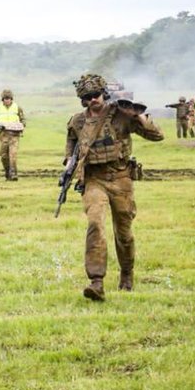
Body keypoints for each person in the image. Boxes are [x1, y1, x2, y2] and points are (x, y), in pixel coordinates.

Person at [64, 73, 164, 301]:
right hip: (94, 180)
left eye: (96, 95)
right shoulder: (78, 122)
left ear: (104, 94)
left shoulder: (120, 115)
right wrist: (69, 161)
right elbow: (71, 145)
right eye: (88, 97)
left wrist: (137, 116)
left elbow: (157, 135)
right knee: (95, 223)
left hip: (121, 179)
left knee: (124, 233)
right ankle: (96, 281)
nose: (93, 100)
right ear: (82, 100)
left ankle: (127, 274)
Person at [0, 88, 26, 180]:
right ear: (2, 99)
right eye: (5, 99)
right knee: (4, 156)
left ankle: (14, 174)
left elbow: (23, 119)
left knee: (13, 155)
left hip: (14, 135)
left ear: (11, 99)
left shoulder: (17, 108)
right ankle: (7, 172)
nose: (7, 100)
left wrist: (22, 125)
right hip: (4, 135)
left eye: (8, 98)